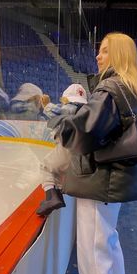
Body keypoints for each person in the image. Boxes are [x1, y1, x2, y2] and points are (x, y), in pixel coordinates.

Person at [47, 32, 137, 274]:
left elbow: (84, 133)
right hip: (108, 183)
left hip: (100, 181)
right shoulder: (128, 87)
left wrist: (56, 121)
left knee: (93, 255)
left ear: (119, 54)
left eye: (105, 50)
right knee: (106, 245)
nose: (98, 55)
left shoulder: (110, 88)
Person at [36, 83, 88, 216]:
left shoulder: (71, 107)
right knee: (57, 171)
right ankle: (57, 194)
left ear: (67, 99)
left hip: (68, 147)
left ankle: (51, 197)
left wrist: (46, 104)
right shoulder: (86, 110)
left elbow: (58, 111)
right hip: (81, 150)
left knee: (46, 166)